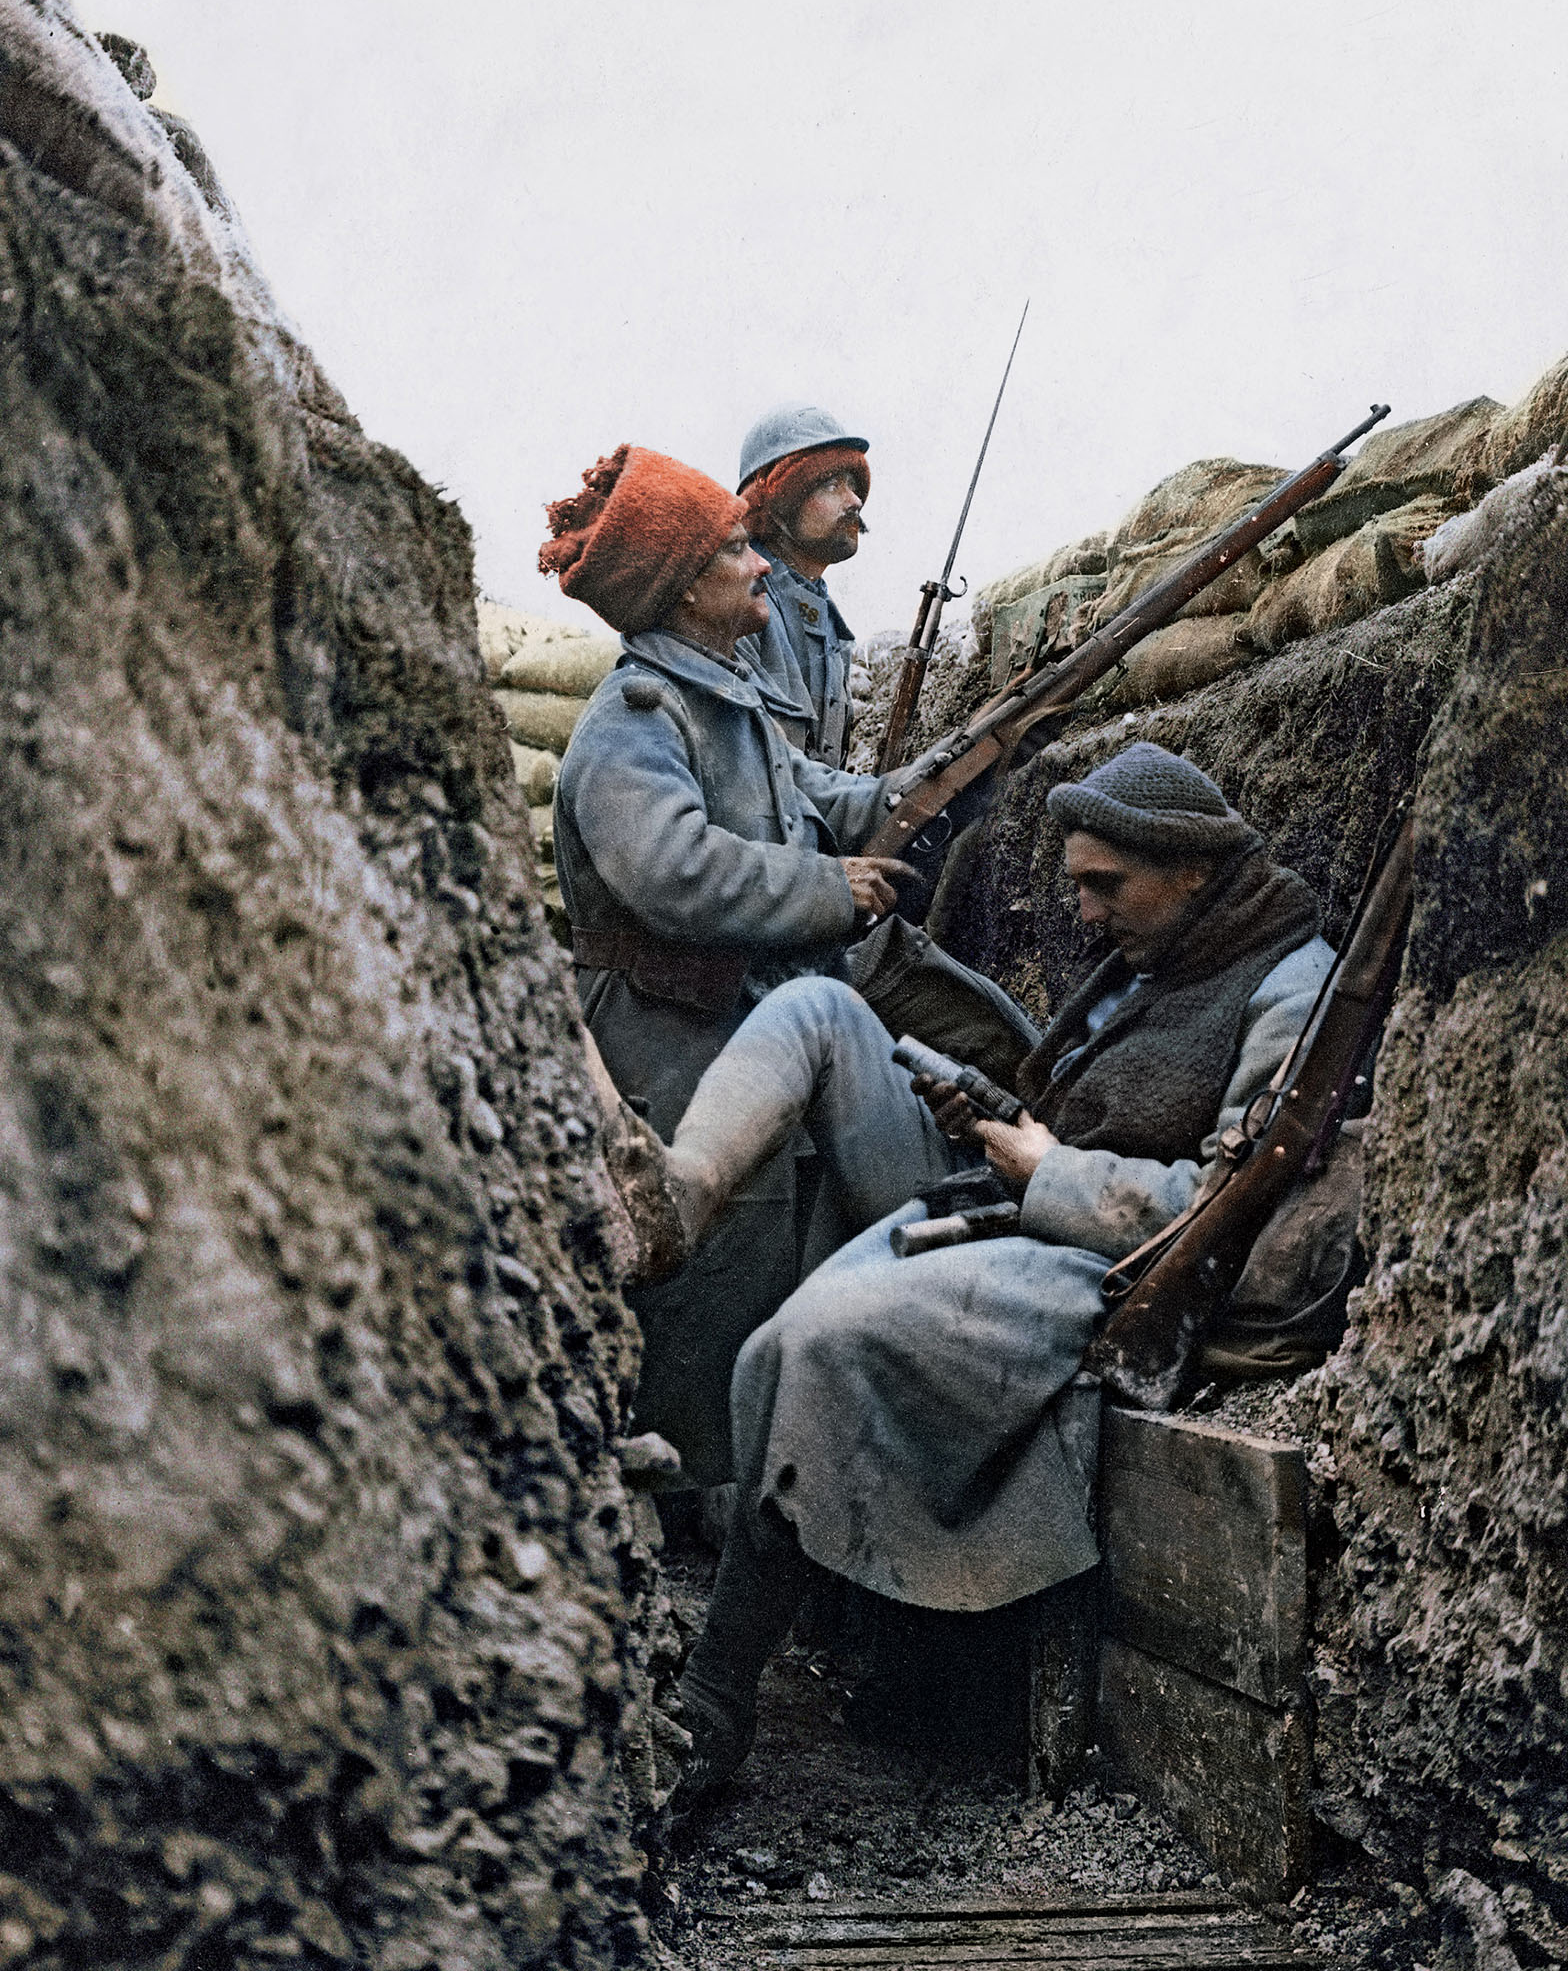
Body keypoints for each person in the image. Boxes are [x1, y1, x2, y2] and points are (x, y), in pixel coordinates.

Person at [592, 742, 1336, 1800]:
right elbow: (1109, 1102)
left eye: (1101, 884)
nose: (1081, 912)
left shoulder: (1285, 986)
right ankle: (676, 1192)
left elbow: (1231, 1213)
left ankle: (715, 1697)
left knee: (808, 1339)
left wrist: (1046, 1166)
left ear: (1190, 868)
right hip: (1027, 1205)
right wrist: (996, 1113)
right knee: (819, 1011)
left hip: (1108, 1266)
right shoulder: (1168, 947)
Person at [538, 443, 918, 1486]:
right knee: (707, 1278)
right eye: (737, 551)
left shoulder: (723, 700)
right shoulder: (633, 722)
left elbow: (813, 794)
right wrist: (826, 888)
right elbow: (675, 873)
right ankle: (697, 1535)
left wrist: (936, 777)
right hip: (667, 1042)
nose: (760, 568)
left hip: (733, 1026)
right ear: (682, 586)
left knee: (764, 1267)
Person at [734, 404, 870, 768]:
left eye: (854, 485)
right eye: (832, 484)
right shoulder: (738, 607)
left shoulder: (827, 623)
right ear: (776, 502)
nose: (855, 500)